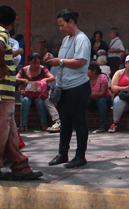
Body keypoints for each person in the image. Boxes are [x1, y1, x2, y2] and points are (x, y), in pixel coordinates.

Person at [0, 5, 42, 182]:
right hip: (0, 93)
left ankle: (20, 167)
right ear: (14, 21)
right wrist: (2, 65)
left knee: (9, 133)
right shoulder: (2, 33)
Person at [44, 9, 92, 169]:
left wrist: (60, 62)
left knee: (79, 122)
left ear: (71, 22)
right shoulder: (66, 40)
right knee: (64, 121)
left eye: (62, 25)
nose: (61, 28)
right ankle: (62, 153)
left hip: (78, 87)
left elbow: (81, 61)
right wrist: (53, 59)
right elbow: (63, 60)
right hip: (63, 87)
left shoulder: (81, 39)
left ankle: (80, 155)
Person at [16, 52, 55, 132]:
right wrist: (23, 80)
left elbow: (52, 78)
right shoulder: (24, 69)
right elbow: (15, 79)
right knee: (25, 101)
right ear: (29, 62)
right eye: (33, 63)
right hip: (26, 93)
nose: (36, 65)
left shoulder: (43, 69)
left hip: (38, 94)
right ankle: (23, 125)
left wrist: (44, 80)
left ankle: (44, 124)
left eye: (37, 62)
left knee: (40, 102)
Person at [87, 61, 112, 133]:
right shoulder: (86, 78)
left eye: (88, 70)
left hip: (105, 100)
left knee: (101, 100)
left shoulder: (102, 77)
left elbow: (103, 93)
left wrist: (90, 94)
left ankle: (103, 126)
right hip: (92, 100)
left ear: (94, 71)